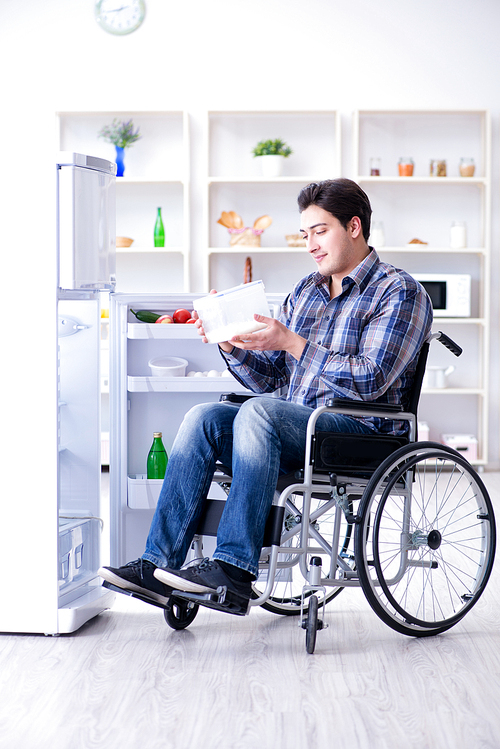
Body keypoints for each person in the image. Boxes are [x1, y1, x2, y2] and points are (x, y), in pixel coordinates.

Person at [99, 178, 433, 614]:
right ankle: (156, 565)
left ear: (354, 227)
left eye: (320, 231)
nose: (310, 245)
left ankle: (234, 570)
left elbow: (371, 380)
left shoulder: (399, 292)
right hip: (293, 424)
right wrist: (230, 345)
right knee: (204, 416)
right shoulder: (305, 292)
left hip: (360, 434)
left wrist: (294, 343)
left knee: (259, 414)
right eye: (305, 234)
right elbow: (270, 381)